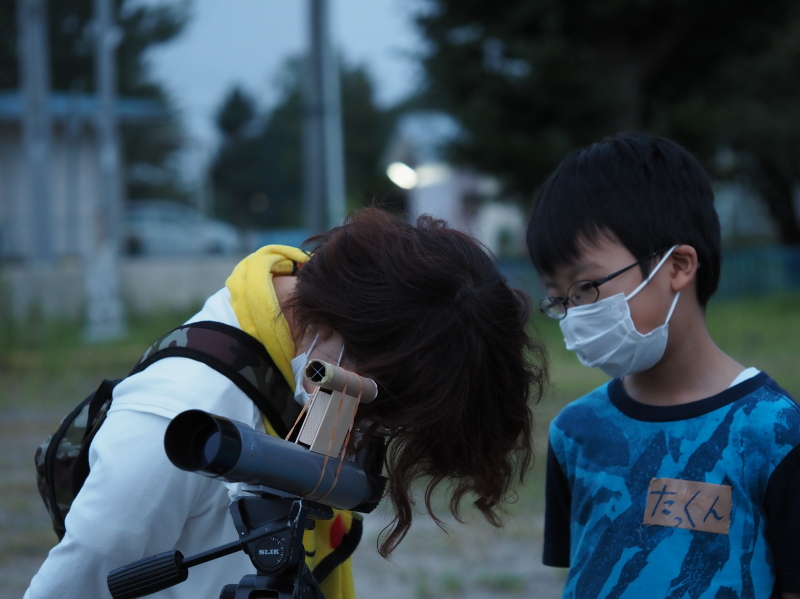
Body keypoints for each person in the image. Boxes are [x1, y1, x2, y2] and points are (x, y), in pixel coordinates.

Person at [26, 206, 547, 599]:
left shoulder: (300, 344)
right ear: (346, 329)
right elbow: (73, 585)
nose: (374, 429)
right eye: (384, 407)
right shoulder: (179, 413)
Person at [526, 133, 800, 599]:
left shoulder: (775, 433)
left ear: (677, 266)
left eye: (587, 287)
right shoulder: (575, 432)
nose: (574, 312)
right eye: (558, 297)